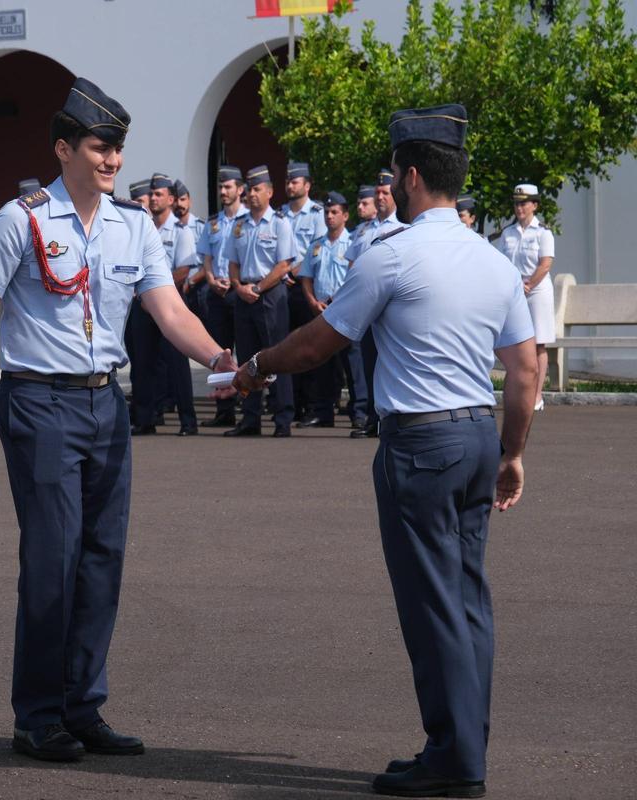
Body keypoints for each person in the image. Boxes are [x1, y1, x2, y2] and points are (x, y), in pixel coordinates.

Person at [0, 77, 235, 763]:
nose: (112, 160)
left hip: (102, 402)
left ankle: (83, 706)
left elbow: (169, 310)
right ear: (64, 149)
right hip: (39, 403)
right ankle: (37, 715)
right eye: (99, 147)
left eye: (118, 149)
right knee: (52, 558)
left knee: (101, 560)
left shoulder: (134, 225)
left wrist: (222, 361)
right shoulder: (19, 220)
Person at [227, 104, 537, 798]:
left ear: (412, 176)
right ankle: (460, 743)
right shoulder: (490, 260)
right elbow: (525, 372)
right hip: (477, 436)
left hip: (421, 444)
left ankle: (455, 761)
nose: (391, 184)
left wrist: (259, 365)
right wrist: (512, 452)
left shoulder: (392, 253)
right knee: (467, 601)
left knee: (433, 605)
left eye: (395, 173)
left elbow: (321, 341)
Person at [221, 164, 297, 437]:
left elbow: (284, 264)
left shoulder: (280, 223)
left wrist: (258, 288)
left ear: (269, 192)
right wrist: (239, 287)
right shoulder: (239, 226)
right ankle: (250, 419)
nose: (252, 194)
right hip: (244, 296)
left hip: (270, 295)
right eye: (249, 189)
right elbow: (232, 262)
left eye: (257, 189)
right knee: (247, 359)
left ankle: (282, 419)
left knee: (277, 358)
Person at [130, 172, 198, 436]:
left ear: (171, 199)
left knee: (177, 364)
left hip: (170, 306)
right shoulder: (143, 229)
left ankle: (188, 421)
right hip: (143, 305)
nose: (154, 198)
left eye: (159, 194)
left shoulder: (180, 230)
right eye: (152, 194)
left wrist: (155, 292)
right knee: (142, 363)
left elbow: (183, 269)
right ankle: (145, 419)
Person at [345, 169, 406, 439]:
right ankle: (372, 418)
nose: (380, 197)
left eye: (385, 192)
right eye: (377, 193)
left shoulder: (405, 226)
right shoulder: (363, 230)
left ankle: (392, 419)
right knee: (368, 363)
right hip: (367, 309)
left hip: (393, 308)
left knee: (391, 364)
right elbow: (352, 265)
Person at [495, 184, 555, 411]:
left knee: (539, 344)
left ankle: (537, 396)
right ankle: (520, 394)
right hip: (515, 291)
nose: (519, 207)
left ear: (535, 205)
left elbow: (546, 263)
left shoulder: (543, 232)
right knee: (515, 343)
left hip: (536, 292)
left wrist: (528, 284)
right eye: (516, 203)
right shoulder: (508, 233)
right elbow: (501, 262)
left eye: (524, 203)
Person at [296, 191, 353, 428]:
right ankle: (322, 412)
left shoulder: (352, 244)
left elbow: (354, 276)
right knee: (321, 364)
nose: (329, 216)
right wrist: (310, 300)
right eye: (327, 212)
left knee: (351, 366)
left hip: (344, 311)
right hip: (319, 310)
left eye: (334, 212)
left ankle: (358, 414)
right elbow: (306, 277)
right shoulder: (316, 245)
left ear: (345, 216)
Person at [197, 165, 247, 429]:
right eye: (221, 187)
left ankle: (251, 410)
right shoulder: (213, 223)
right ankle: (224, 410)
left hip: (239, 293)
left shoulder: (249, 219)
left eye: (228, 187)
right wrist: (211, 279)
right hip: (218, 293)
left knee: (249, 352)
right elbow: (206, 258)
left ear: (240, 189)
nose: (223, 191)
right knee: (221, 352)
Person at [280, 162, 325, 421]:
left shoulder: (318, 213)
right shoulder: (280, 213)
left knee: (308, 345)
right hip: (282, 287)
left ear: (306, 185)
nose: (290, 185)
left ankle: (312, 405)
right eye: (288, 181)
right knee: (286, 346)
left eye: (295, 181)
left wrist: (292, 272)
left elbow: (315, 250)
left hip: (306, 286)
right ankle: (293, 404)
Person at [173, 179, 208, 320]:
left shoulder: (202, 227)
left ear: (190, 201)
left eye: (183, 199)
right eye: (176, 200)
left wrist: (191, 281)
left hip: (198, 288)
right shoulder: (170, 229)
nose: (179, 204)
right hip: (175, 290)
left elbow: (209, 262)